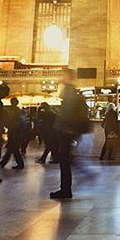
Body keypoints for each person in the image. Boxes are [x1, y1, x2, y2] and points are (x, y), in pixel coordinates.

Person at [50, 69, 89, 199]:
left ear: (67, 76)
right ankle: (66, 188)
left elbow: (68, 111)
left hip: (67, 130)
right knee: (66, 158)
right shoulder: (72, 90)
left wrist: (65, 127)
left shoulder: (69, 90)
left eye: (63, 75)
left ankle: (65, 189)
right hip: (69, 129)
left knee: (64, 160)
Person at [0, 97, 25, 170]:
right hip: (17, 132)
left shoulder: (10, 111)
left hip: (13, 131)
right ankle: (4, 162)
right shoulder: (19, 111)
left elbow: (7, 121)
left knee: (14, 148)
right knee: (12, 148)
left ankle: (20, 164)